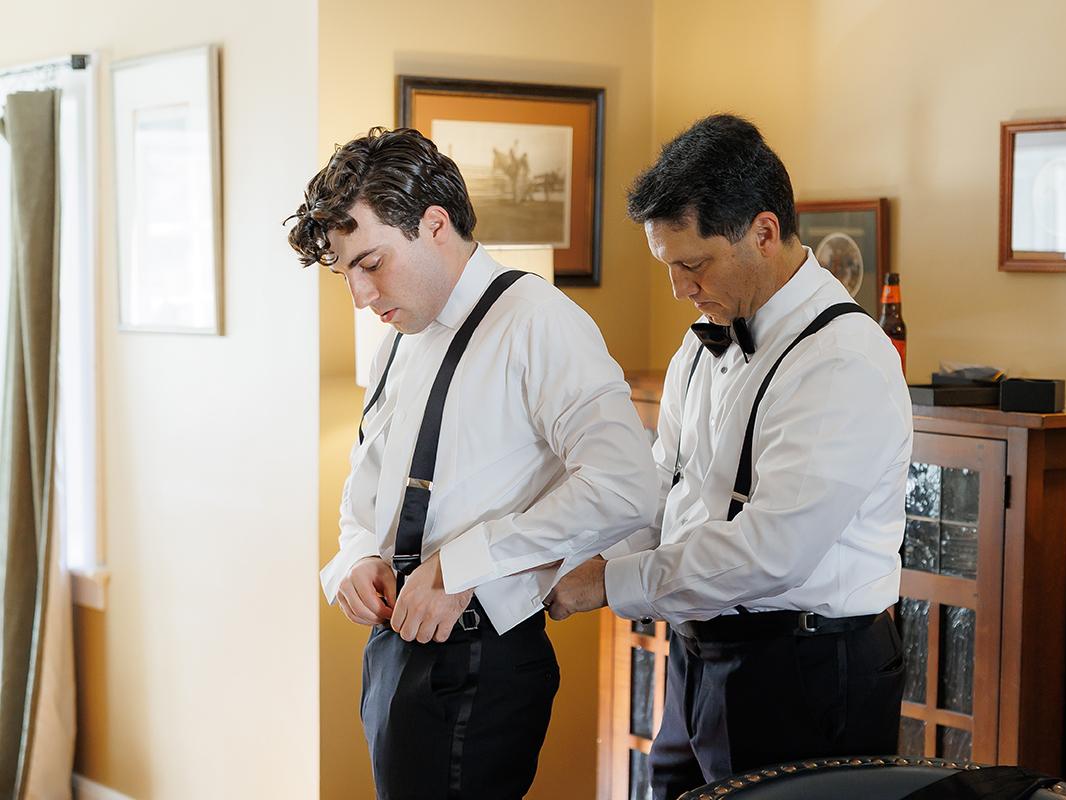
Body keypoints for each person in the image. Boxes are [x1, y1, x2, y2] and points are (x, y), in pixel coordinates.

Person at [547, 114, 913, 800]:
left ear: (764, 232)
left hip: (804, 672)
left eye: (693, 264)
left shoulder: (843, 360)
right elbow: (665, 486)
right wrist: (568, 555)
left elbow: (770, 553)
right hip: (699, 657)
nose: (681, 289)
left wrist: (608, 583)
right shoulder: (700, 343)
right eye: (670, 268)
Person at [287, 127, 657, 800]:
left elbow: (627, 485)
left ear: (434, 225)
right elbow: (366, 489)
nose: (362, 298)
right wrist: (355, 557)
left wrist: (465, 565)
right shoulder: (399, 340)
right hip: (395, 652)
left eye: (371, 264)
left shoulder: (537, 321)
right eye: (348, 276)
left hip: (479, 663)